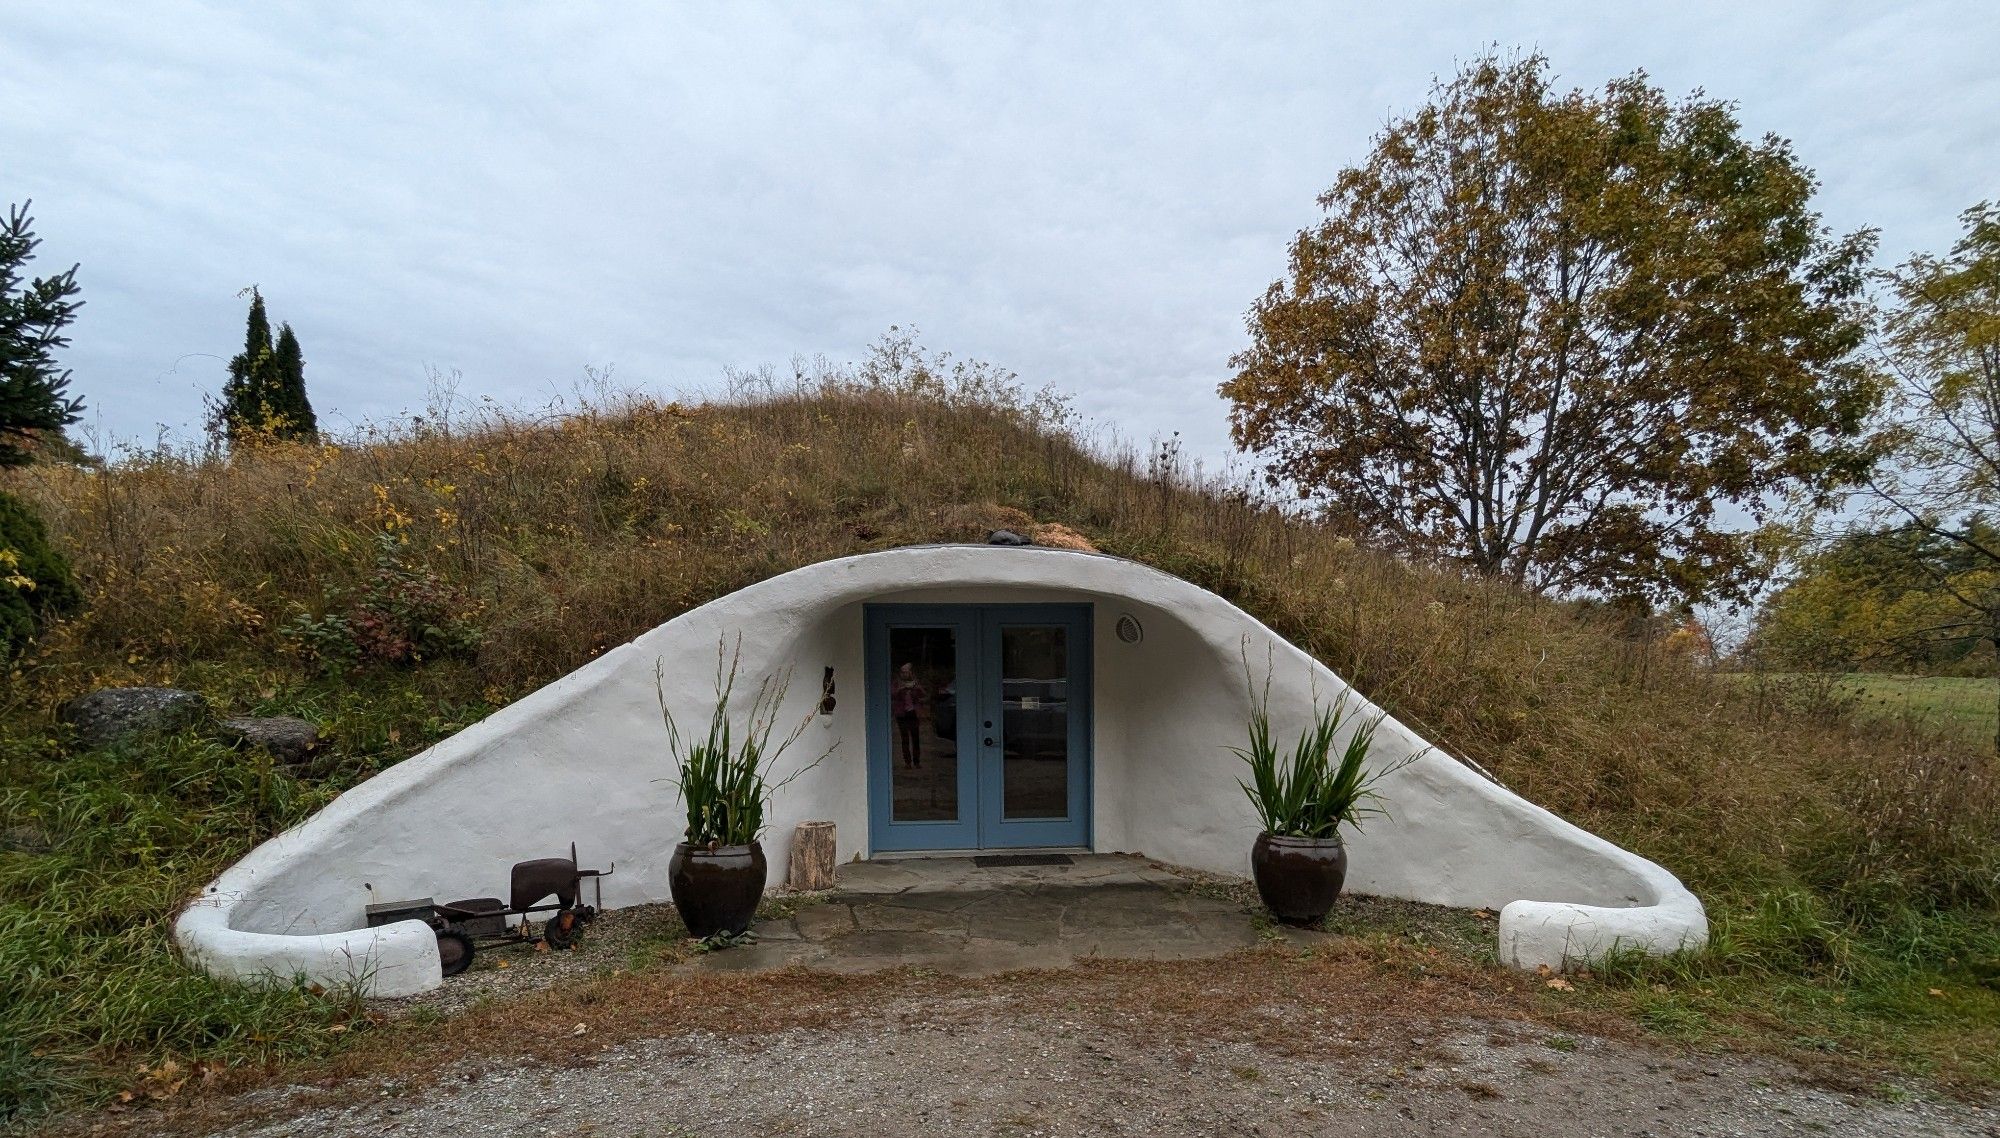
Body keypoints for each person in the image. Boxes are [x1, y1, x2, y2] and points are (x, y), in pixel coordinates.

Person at [892, 663, 928, 769]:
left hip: (913, 713)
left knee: (915, 738)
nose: (904, 674)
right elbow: (892, 695)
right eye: (902, 672)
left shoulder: (915, 683)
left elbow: (923, 695)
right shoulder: (897, 683)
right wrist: (900, 689)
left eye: (906, 672)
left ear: (910, 672)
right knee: (905, 738)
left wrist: (916, 689)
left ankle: (917, 761)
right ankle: (907, 762)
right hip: (901, 714)